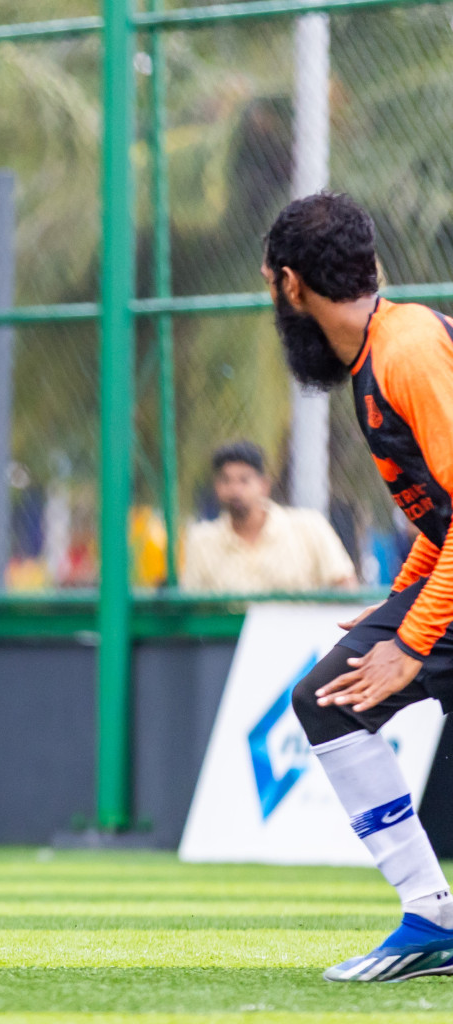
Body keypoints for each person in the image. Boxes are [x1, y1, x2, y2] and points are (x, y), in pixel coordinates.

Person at [264, 191, 453, 981]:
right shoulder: (379, 356)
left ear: (287, 286)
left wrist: (410, 642)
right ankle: (431, 920)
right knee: (332, 695)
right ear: (371, 267)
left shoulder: (406, 352)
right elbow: (439, 520)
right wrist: (393, 610)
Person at [182, 439, 357, 593]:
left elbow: (345, 583)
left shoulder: (308, 527)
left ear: (264, 485)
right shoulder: (201, 541)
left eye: (244, 480)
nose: (235, 490)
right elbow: (192, 603)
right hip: (230, 631)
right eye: (226, 480)